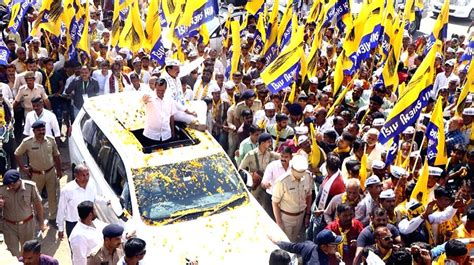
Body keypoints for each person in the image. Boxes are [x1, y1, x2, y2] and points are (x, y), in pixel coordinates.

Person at [14, 120, 62, 226]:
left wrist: (59, 170)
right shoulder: (27, 142)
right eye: (39, 130)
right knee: (35, 197)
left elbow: (56, 155)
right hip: (36, 175)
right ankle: (37, 218)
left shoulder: (51, 140)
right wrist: (23, 168)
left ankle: (53, 218)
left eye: (43, 129)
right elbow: (17, 153)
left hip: (50, 173)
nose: (42, 131)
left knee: (53, 196)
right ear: (34, 131)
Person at [0, 169, 45, 257]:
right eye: (8, 185)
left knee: (28, 252)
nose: (10, 187)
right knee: (13, 254)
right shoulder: (2, 189)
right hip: (9, 226)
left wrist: (41, 223)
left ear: (19, 180)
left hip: (27, 225)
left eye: (13, 184)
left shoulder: (30, 187)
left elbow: (38, 206)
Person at [57, 164, 107, 239]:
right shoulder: (67, 190)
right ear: (76, 176)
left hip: (90, 222)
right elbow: (61, 209)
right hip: (74, 224)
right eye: (83, 175)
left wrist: (107, 202)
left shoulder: (92, 184)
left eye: (87, 174)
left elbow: (94, 197)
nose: (86, 178)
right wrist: (60, 228)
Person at [272, 155, 313, 242]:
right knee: (286, 242)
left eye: (303, 171)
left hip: (301, 216)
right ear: (292, 168)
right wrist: (279, 223)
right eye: (299, 172)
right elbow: (275, 202)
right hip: (286, 218)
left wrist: (307, 215)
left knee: (294, 241)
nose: (302, 174)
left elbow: (309, 195)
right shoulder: (282, 182)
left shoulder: (307, 176)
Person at [239, 132, 280, 204]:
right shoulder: (250, 155)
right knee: (252, 203)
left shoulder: (269, 153)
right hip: (256, 184)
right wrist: (251, 175)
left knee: (264, 204)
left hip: (265, 183)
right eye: (268, 142)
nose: (270, 144)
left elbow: (280, 156)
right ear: (262, 143)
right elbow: (241, 170)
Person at [270, 229, 343, 265]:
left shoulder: (308, 245)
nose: (337, 247)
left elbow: (291, 247)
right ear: (323, 246)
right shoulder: (317, 263)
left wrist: (277, 242)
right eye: (334, 245)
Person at [141, 78, 178, 145]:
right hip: (151, 136)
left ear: (166, 89)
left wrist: (173, 131)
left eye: (162, 90)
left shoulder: (169, 99)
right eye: (158, 90)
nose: (160, 92)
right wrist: (144, 99)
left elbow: (171, 116)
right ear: (155, 87)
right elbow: (142, 100)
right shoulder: (149, 98)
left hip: (166, 135)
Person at [69, 201, 105, 265]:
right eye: (95, 210)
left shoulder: (95, 222)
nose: (96, 211)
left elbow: (107, 228)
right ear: (90, 215)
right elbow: (80, 260)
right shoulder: (78, 236)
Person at [261, 147, 292, 219]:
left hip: (287, 199)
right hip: (271, 198)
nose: (283, 159)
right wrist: (265, 184)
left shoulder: (293, 167)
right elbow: (264, 182)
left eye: (286, 157)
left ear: (291, 157)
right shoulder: (272, 166)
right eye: (282, 156)